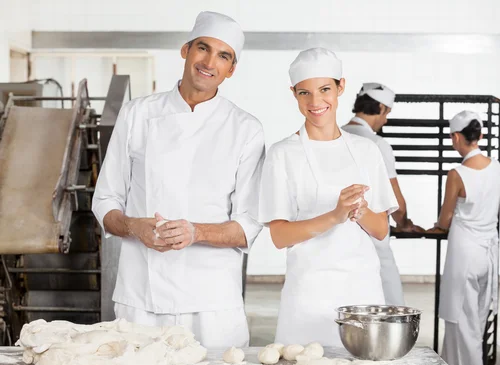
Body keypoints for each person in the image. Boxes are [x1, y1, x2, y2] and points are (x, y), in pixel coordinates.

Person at [91, 11, 265, 348]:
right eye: (203, 48)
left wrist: (195, 232)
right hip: (142, 297)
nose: (209, 61)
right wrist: (133, 227)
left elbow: (248, 225)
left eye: (223, 55)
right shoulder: (137, 114)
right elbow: (106, 201)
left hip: (212, 304)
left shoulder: (245, 129)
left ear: (231, 69)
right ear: (185, 50)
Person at [258, 48, 398, 346]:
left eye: (325, 90)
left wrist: (359, 210)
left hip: (362, 291)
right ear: (294, 94)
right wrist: (334, 216)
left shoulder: (366, 151)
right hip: (308, 294)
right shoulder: (282, 154)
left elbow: (382, 230)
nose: (315, 102)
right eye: (304, 93)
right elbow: (280, 236)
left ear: (341, 87)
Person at [427, 110, 500, 365]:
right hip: (488, 257)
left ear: (456, 137)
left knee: (461, 327)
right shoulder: (496, 167)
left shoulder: (457, 174)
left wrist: (431, 227)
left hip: (464, 256)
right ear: (480, 135)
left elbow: (444, 220)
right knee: (475, 325)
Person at [342, 82, 424, 305]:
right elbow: (395, 200)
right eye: (387, 112)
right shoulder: (376, 143)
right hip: (373, 237)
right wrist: (404, 222)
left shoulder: (336, 137)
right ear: (379, 107)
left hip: (338, 238)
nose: (386, 119)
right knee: (390, 304)